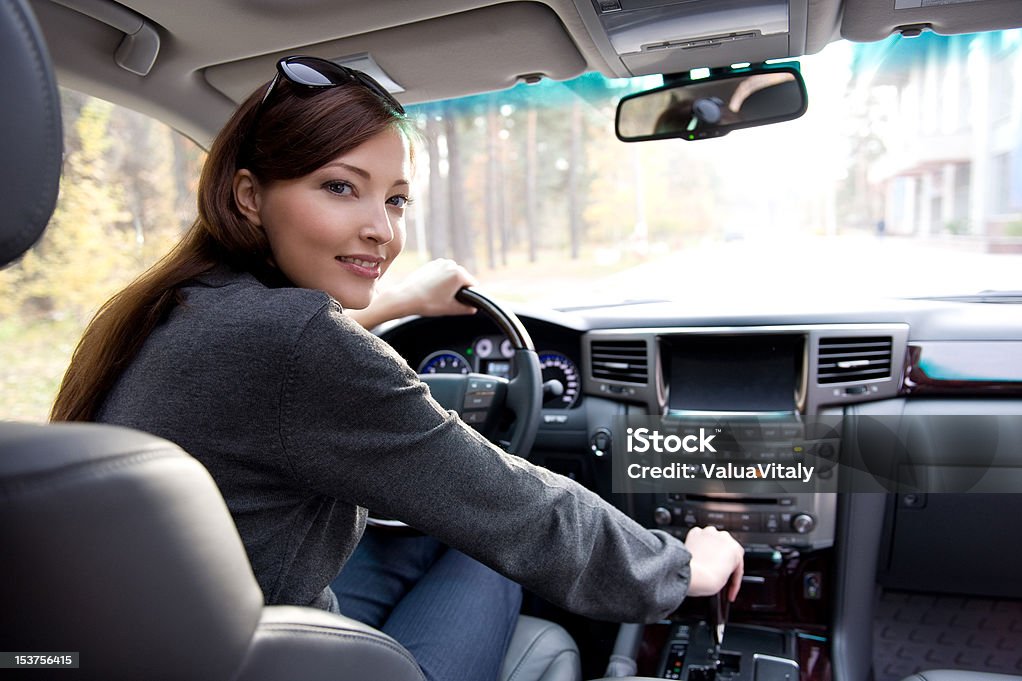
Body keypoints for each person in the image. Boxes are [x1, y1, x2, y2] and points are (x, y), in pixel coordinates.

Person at [51, 56, 744, 681]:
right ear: (248, 196)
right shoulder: (297, 341)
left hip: (190, 638)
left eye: (395, 198)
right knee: (488, 552)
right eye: (340, 187)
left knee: (437, 534)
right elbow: (516, 508)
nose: (383, 228)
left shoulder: (175, 307)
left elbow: (282, 370)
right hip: (261, 653)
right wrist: (682, 567)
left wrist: (399, 302)